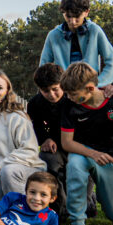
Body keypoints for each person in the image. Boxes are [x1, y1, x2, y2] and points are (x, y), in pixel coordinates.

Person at [57, 62, 113, 225]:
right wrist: (93, 154)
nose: (69, 97)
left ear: (90, 88)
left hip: (110, 154)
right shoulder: (68, 104)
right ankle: (77, 224)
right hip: (82, 152)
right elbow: (67, 143)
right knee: (74, 167)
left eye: (73, 94)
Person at [0, 72, 45, 211]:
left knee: (8, 171)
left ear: (7, 91)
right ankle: (2, 218)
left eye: (0, 88)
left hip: (27, 168)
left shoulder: (16, 117)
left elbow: (30, 150)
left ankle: (23, 215)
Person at [39, 0, 113, 90]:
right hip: (64, 91)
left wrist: (98, 83)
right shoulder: (53, 35)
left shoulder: (95, 31)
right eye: (68, 16)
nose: (72, 21)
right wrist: (56, 88)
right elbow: (43, 68)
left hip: (90, 90)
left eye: (77, 16)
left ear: (86, 12)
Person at [27, 63, 74, 214]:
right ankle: (59, 207)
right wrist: (45, 139)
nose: (52, 94)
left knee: (76, 170)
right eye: (46, 91)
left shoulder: (73, 98)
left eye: (55, 89)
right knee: (48, 161)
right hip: (54, 148)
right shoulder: (34, 104)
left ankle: (87, 201)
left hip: (77, 145)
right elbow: (35, 126)